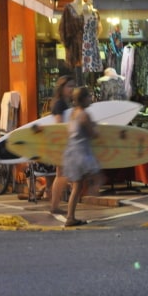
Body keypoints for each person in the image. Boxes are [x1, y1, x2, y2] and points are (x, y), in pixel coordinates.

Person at [61, 86, 103, 227]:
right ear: (83, 99)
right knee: (97, 177)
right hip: (82, 153)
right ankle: (93, 198)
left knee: (77, 187)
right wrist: (98, 129)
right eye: (89, 96)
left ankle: (70, 217)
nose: (91, 98)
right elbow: (93, 134)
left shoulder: (73, 113)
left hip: (72, 153)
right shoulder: (85, 115)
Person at [49, 75, 76, 214]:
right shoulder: (60, 104)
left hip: (62, 143)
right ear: (62, 88)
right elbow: (59, 124)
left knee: (61, 175)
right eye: (69, 86)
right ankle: (54, 206)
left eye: (73, 86)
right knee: (61, 175)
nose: (71, 89)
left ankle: (54, 205)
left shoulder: (62, 103)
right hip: (62, 143)